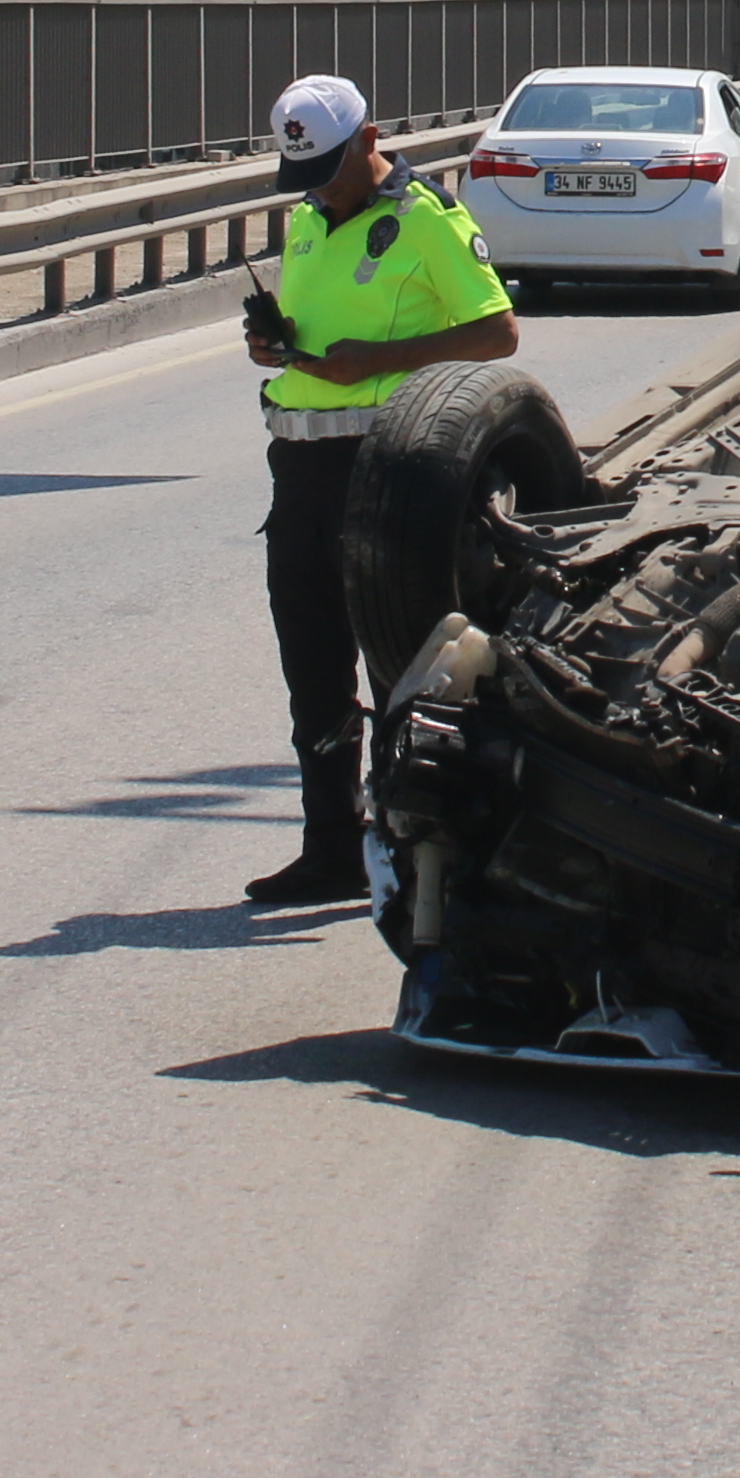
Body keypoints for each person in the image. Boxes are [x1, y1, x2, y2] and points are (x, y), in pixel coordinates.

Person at [235, 73, 521, 907]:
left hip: (387, 471)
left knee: (407, 668)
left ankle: (421, 850)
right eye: (304, 176)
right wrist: (273, 347)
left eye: (329, 168)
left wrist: (378, 361)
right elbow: (314, 331)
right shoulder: (306, 223)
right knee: (314, 673)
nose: (318, 188)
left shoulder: (424, 219)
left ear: (369, 140)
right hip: (298, 471)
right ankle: (329, 846)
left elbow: (498, 332)